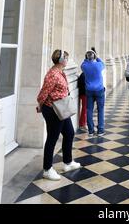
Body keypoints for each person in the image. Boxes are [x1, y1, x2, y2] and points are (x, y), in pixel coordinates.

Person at [36, 49, 81, 180]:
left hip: (61, 108)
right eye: (66, 58)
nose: (67, 60)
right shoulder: (53, 75)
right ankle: (47, 169)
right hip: (52, 109)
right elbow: (44, 92)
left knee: (69, 133)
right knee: (52, 138)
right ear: (61, 60)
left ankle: (68, 162)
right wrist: (40, 105)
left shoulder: (59, 72)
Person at [81, 50, 105, 137]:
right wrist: (97, 56)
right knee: (100, 110)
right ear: (94, 57)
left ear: (86, 57)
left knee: (89, 110)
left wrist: (86, 57)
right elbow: (103, 63)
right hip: (99, 89)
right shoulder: (98, 65)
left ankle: (91, 131)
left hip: (89, 90)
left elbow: (83, 62)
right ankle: (100, 130)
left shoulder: (84, 66)